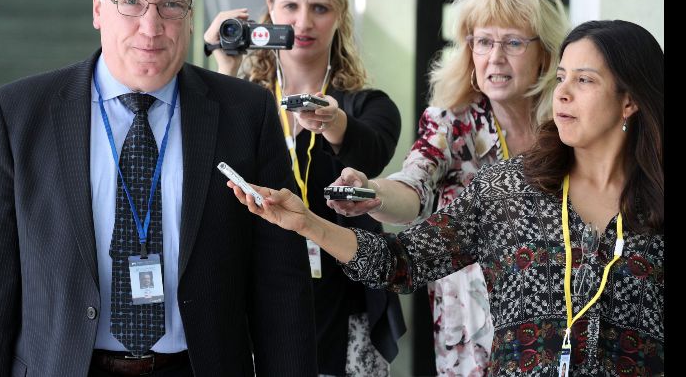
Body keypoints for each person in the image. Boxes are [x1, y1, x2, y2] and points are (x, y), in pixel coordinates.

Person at [0, 0, 316, 377]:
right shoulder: (20, 115)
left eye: (170, 6)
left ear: (191, 14)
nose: (151, 27)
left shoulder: (245, 112)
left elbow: (282, 284)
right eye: (132, 3)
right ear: (98, 7)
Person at [228, 19, 664, 376]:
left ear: (630, 101)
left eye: (585, 81)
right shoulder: (509, 188)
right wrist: (307, 222)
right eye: (563, 77)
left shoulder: (658, 205)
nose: (564, 92)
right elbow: (401, 263)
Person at [328, 0, 570, 375]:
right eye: (483, 41)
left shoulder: (566, 125)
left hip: (558, 328)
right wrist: (373, 192)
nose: (495, 57)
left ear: (545, 52)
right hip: (475, 340)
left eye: (513, 42)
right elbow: (413, 183)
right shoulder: (452, 123)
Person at [204, 0, 405, 376]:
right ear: (269, 10)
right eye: (291, 6)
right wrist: (226, 68)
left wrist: (334, 122)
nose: (303, 22)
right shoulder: (246, 101)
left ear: (340, 15)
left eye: (320, 8)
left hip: (344, 308)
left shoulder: (368, 104)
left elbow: (372, 151)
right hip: (254, 305)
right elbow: (207, 163)